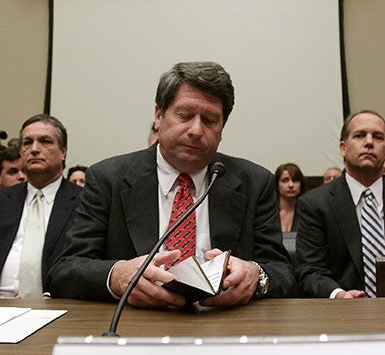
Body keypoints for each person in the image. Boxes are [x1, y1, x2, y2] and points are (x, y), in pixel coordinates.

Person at [47, 61, 294, 306]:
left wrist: (256, 276)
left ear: (222, 129)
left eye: (210, 120)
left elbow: (282, 272)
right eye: (185, 116)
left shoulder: (254, 182)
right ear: (158, 116)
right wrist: (117, 276)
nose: (196, 130)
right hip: (135, 328)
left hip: (224, 326)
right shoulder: (108, 178)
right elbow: (65, 271)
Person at [296, 110, 385, 299]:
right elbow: (310, 270)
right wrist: (338, 295)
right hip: (342, 315)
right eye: (360, 135)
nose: (369, 142)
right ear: (343, 148)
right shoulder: (315, 204)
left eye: (377, 137)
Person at [0, 114, 82, 298]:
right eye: (27, 143)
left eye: (45, 141)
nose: (34, 149)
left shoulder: (84, 201)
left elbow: (88, 262)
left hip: (58, 307)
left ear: (63, 151)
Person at [275, 162, 305, 232]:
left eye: (295, 180)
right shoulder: (269, 213)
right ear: (277, 185)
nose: (291, 185)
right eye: (285, 180)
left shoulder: (307, 214)